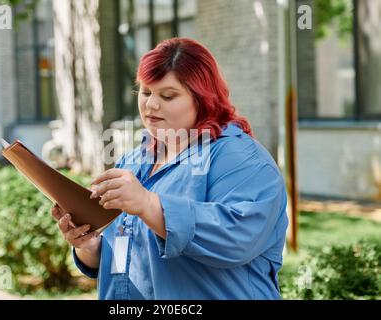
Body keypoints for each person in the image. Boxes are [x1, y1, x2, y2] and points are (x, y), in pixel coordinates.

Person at [51, 38, 288, 300]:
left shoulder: (241, 159)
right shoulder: (133, 161)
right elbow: (126, 255)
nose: (151, 105)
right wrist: (89, 245)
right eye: (145, 92)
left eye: (168, 95)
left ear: (203, 99)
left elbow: (237, 238)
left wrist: (148, 204)